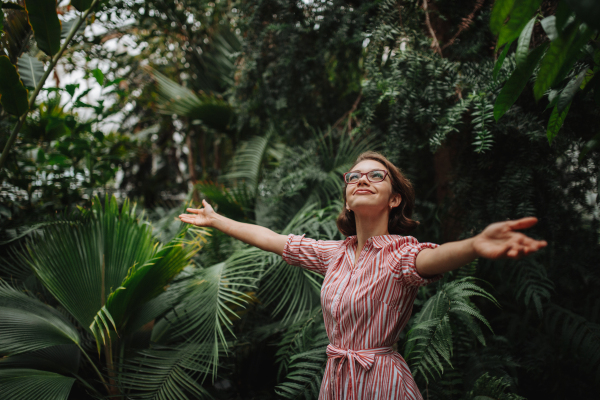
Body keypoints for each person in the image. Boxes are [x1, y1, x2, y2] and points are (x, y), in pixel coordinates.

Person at [178, 151, 547, 400]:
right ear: (347, 196)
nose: (362, 180)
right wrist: (217, 220)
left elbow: (430, 260)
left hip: (382, 381)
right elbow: (273, 239)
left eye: (376, 175)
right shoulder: (334, 254)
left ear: (395, 198)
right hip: (336, 380)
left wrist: (474, 245)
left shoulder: (399, 254)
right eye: (354, 177)